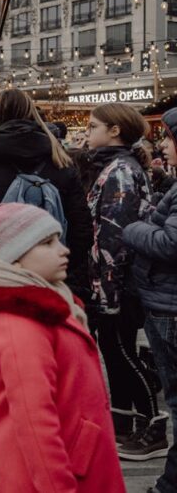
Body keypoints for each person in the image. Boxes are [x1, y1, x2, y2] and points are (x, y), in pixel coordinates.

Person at [0, 88, 93, 474]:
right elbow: (80, 224)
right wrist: (72, 276)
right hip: (50, 275)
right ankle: (49, 440)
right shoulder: (60, 160)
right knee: (47, 361)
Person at [0, 194, 125, 492]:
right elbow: (33, 420)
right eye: (47, 243)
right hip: (58, 476)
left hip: (79, 459)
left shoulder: (51, 306)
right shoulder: (20, 323)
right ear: (14, 256)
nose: (63, 250)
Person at [85, 103, 165, 459]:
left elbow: (115, 234)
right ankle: (124, 422)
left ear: (114, 130)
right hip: (112, 278)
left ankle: (154, 423)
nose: (87, 132)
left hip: (116, 279)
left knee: (121, 350)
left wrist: (109, 289)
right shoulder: (117, 167)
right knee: (115, 351)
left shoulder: (120, 171)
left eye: (92, 126)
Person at [124, 106, 177, 493]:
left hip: (169, 306)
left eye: (169, 139)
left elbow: (168, 242)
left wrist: (134, 227)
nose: (164, 147)